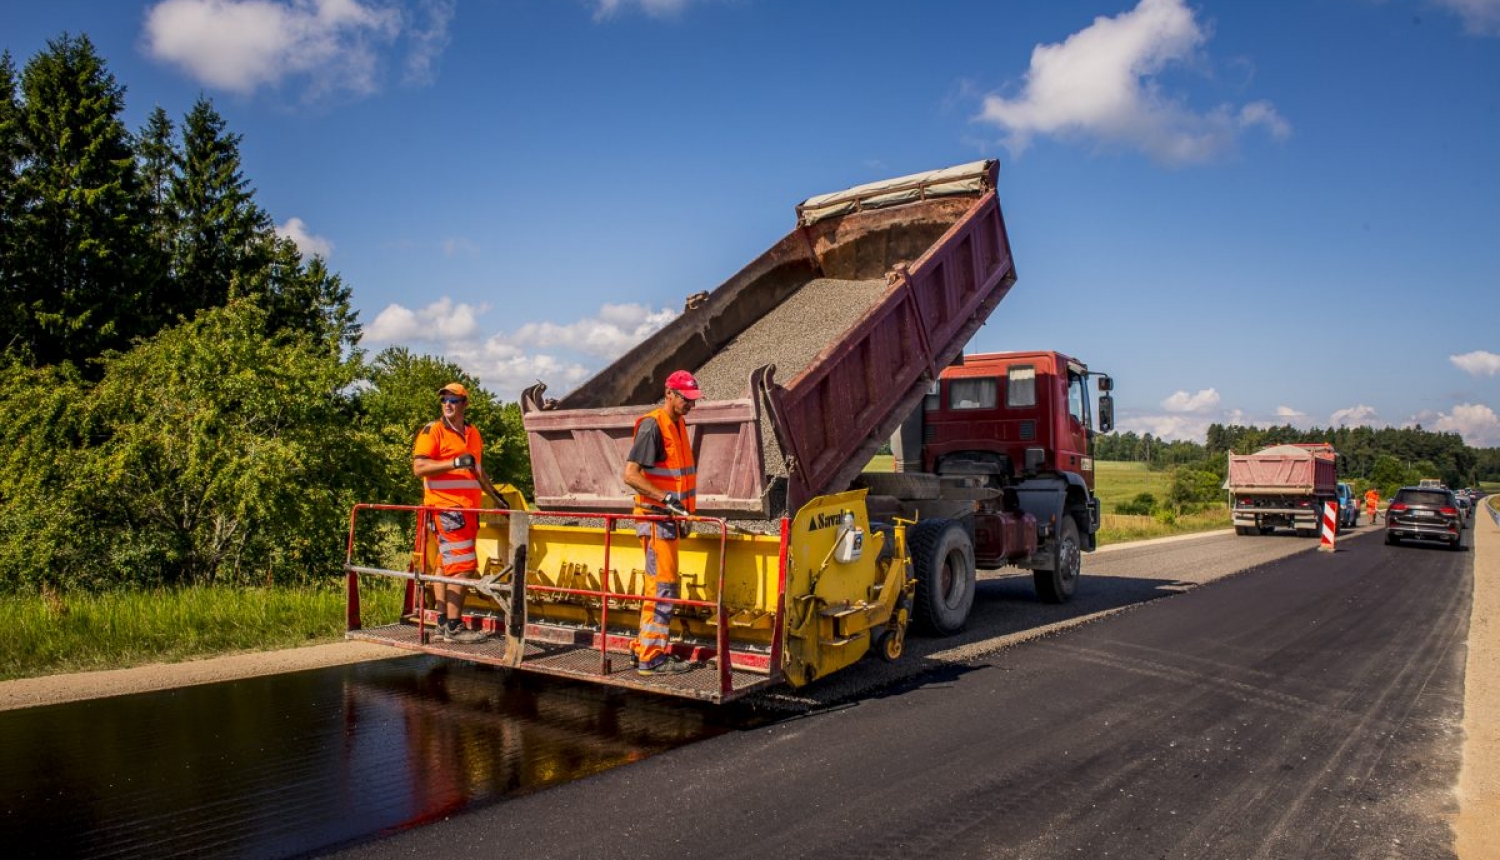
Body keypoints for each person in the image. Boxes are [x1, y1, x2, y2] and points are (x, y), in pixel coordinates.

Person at [622, 370, 703, 676]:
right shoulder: (652, 425)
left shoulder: (678, 425)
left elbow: (680, 479)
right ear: (669, 393)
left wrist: (684, 515)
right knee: (662, 587)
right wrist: (666, 500)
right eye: (686, 399)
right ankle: (652, 656)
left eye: (694, 401)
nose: (691, 406)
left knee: (660, 586)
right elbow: (631, 475)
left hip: (669, 521)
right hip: (656, 521)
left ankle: (643, 647)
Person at [412, 382, 495, 644]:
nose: (448, 403)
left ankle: (442, 622)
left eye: (454, 400)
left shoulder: (472, 434)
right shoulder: (433, 431)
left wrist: (498, 500)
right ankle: (455, 627)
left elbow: (478, 471)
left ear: (465, 404)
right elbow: (419, 467)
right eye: (444, 399)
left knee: (445, 565)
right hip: (448, 509)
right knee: (464, 567)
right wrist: (454, 461)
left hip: (467, 510)